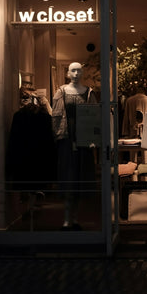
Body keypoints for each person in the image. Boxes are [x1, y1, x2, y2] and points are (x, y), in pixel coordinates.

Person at [51, 62, 97, 229]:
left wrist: (93, 138)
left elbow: (94, 117)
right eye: (73, 70)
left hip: (83, 140)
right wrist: (58, 136)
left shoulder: (88, 92)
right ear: (68, 73)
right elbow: (55, 117)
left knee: (80, 177)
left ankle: (75, 217)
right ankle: (66, 217)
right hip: (67, 138)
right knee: (68, 177)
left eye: (79, 70)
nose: (76, 73)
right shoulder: (61, 92)